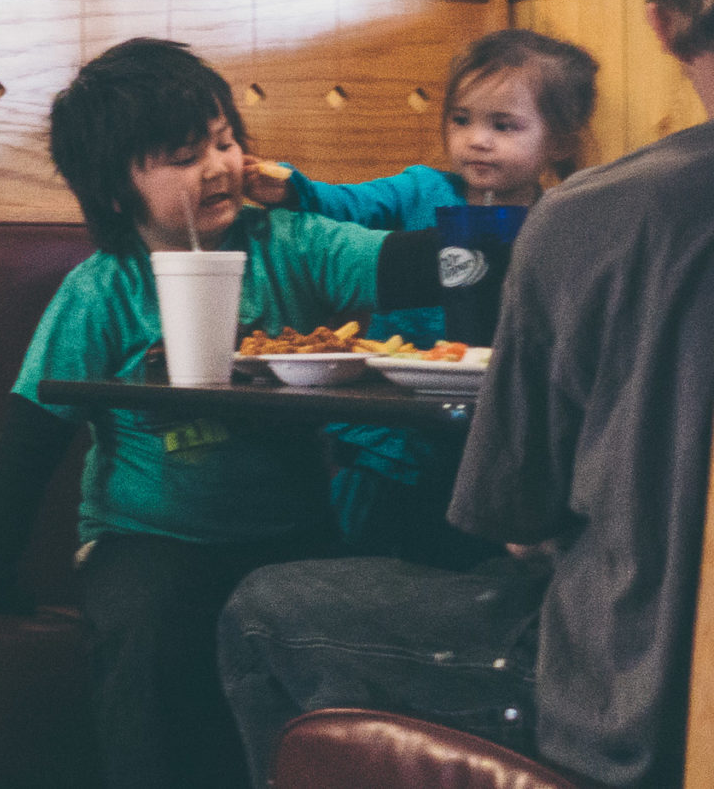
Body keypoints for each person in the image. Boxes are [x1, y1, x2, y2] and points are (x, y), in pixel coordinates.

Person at [220, 0, 714, 787]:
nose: (477, 142)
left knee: (265, 608)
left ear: (658, 22)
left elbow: (516, 512)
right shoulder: (462, 202)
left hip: (633, 693)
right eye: (466, 119)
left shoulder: (586, 218)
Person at [0, 37, 445, 789]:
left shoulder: (290, 243)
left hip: (295, 534)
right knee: (151, 636)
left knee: (366, 622)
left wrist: (504, 240)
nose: (219, 165)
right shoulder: (104, 288)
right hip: (150, 539)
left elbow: (401, 263)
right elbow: (31, 437)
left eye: (224, 140)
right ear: (118, 191)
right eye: (184, 155)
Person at [241, 29, 600, 564]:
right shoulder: (419, 190)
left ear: (560, 141)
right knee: (370, 561)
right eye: (462, 119)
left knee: (478, 565)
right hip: (392, 431)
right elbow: (348, 204)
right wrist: (293, 189)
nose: (477, 139)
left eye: (504, 126)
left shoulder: (560, 218)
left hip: (494, 430)